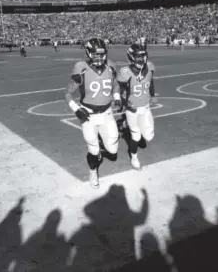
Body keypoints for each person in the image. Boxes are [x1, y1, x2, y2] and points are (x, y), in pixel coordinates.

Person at [65, 38, 122, 188]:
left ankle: (102, 142)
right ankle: (93, 172)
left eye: (101, 54)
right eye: (95, 54)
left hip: (107, 113)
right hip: (89, 115)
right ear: (88, 53)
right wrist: (76, 109)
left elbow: (115, 84)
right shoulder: (81, 68)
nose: (98, 57)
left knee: (113, 150)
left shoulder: (111, 66)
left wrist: (117, 96)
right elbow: (68, 94)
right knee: (94, 149)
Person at [117, 44, 156, 170]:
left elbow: (150, 81)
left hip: (145, 107)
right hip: (132, 109)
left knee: (149, 137)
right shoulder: (126, 72)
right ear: (131, 57)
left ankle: (125, 124)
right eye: (138, 57)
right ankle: (134, 157)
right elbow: (118, 89)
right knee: (136, 136)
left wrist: (152, 94)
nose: (141, 59)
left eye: (143, 56)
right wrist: (122, 102)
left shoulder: (149, 67)